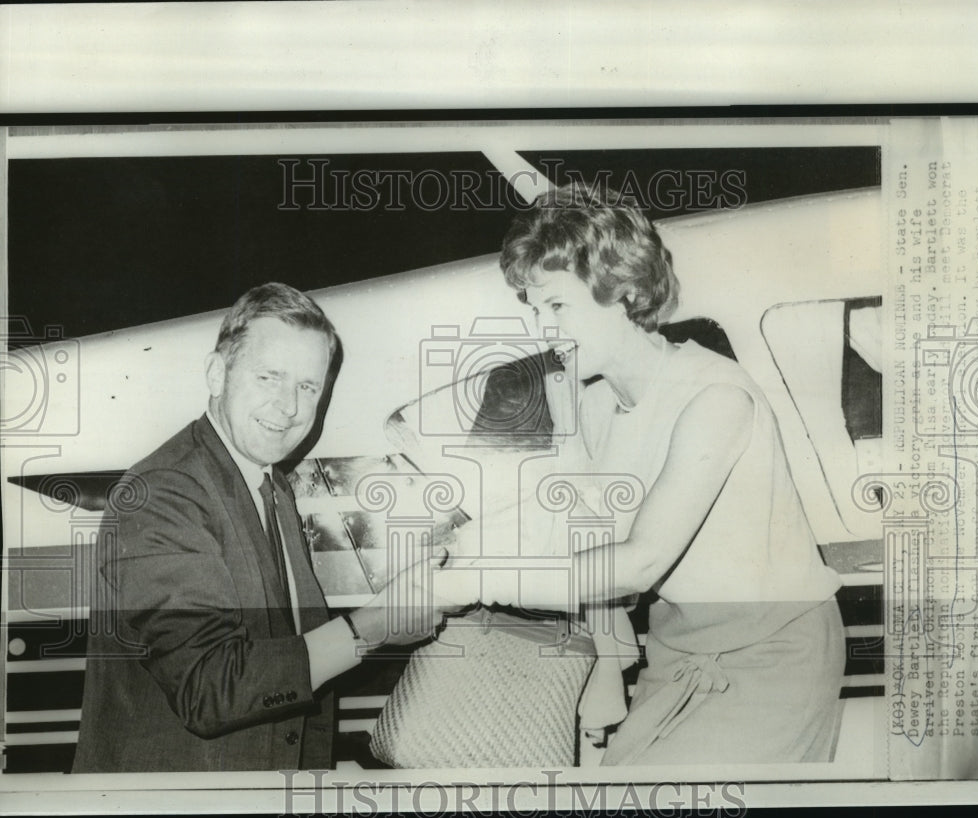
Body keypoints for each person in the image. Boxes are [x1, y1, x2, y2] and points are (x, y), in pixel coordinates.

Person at [438, 183, 846, 764]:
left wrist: (481, 579)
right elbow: (592, 542)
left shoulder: (716, 397)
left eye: (557, 306)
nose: (542, 330)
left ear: (624, 291)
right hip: (678, 649)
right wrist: (606, 662)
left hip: (774, 651)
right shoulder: (594, 403)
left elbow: (641, 560)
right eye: (534, 309)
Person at [73, 283, 453, 773]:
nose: (289, 407)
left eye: (308, 387)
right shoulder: (163, 493)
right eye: (269, 377)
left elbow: (292, 662)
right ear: (217, 373)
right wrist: (375, 626)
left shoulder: (269, 484)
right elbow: (210, 689)